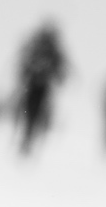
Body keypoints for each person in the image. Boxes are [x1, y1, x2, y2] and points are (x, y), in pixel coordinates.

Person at [11, 20, 70, 156]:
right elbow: (60, 68)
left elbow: (60, 68)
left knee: (30, 113)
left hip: (36, 86)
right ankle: (27, 140)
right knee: (32, 113)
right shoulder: (49, 49)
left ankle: (26, 140)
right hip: (36, 86)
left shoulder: (41, 47)